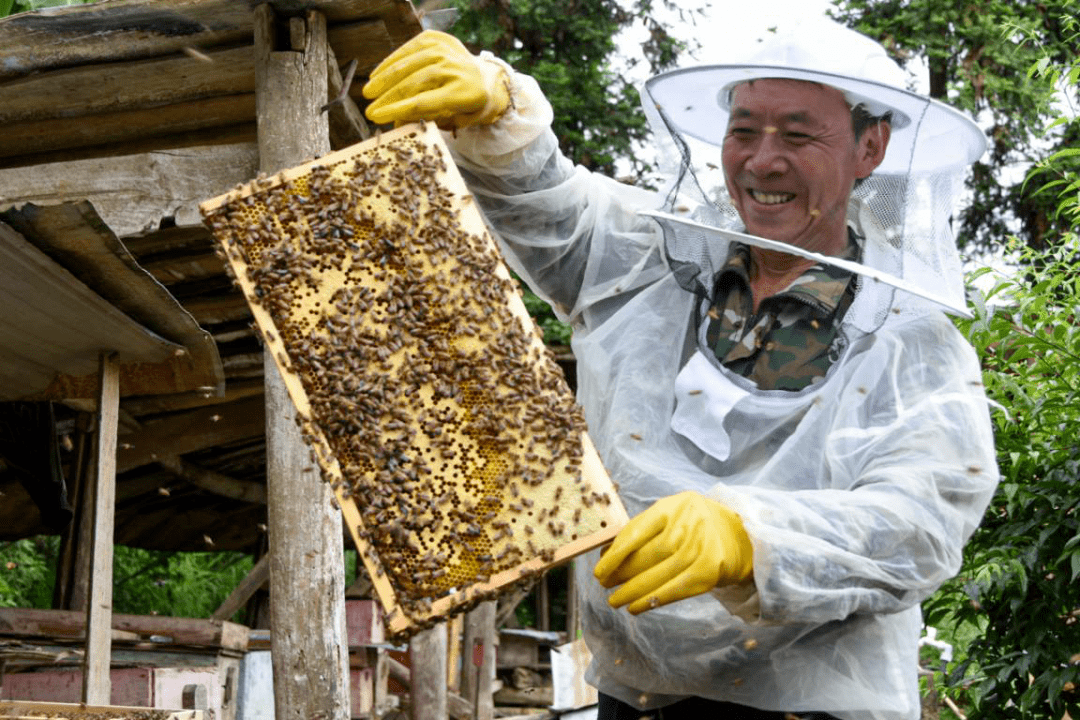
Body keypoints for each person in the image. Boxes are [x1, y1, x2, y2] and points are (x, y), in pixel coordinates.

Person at [362, 19, 1000, 720]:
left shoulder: (913, 342)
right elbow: (552, 209)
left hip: (813, 709)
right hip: (633, 695)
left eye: (798, 135)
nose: (762, 161)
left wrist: (748, 537)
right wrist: (497, 116)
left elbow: (920, 521)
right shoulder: (653, 260)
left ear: (869, 148)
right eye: (745, 130)